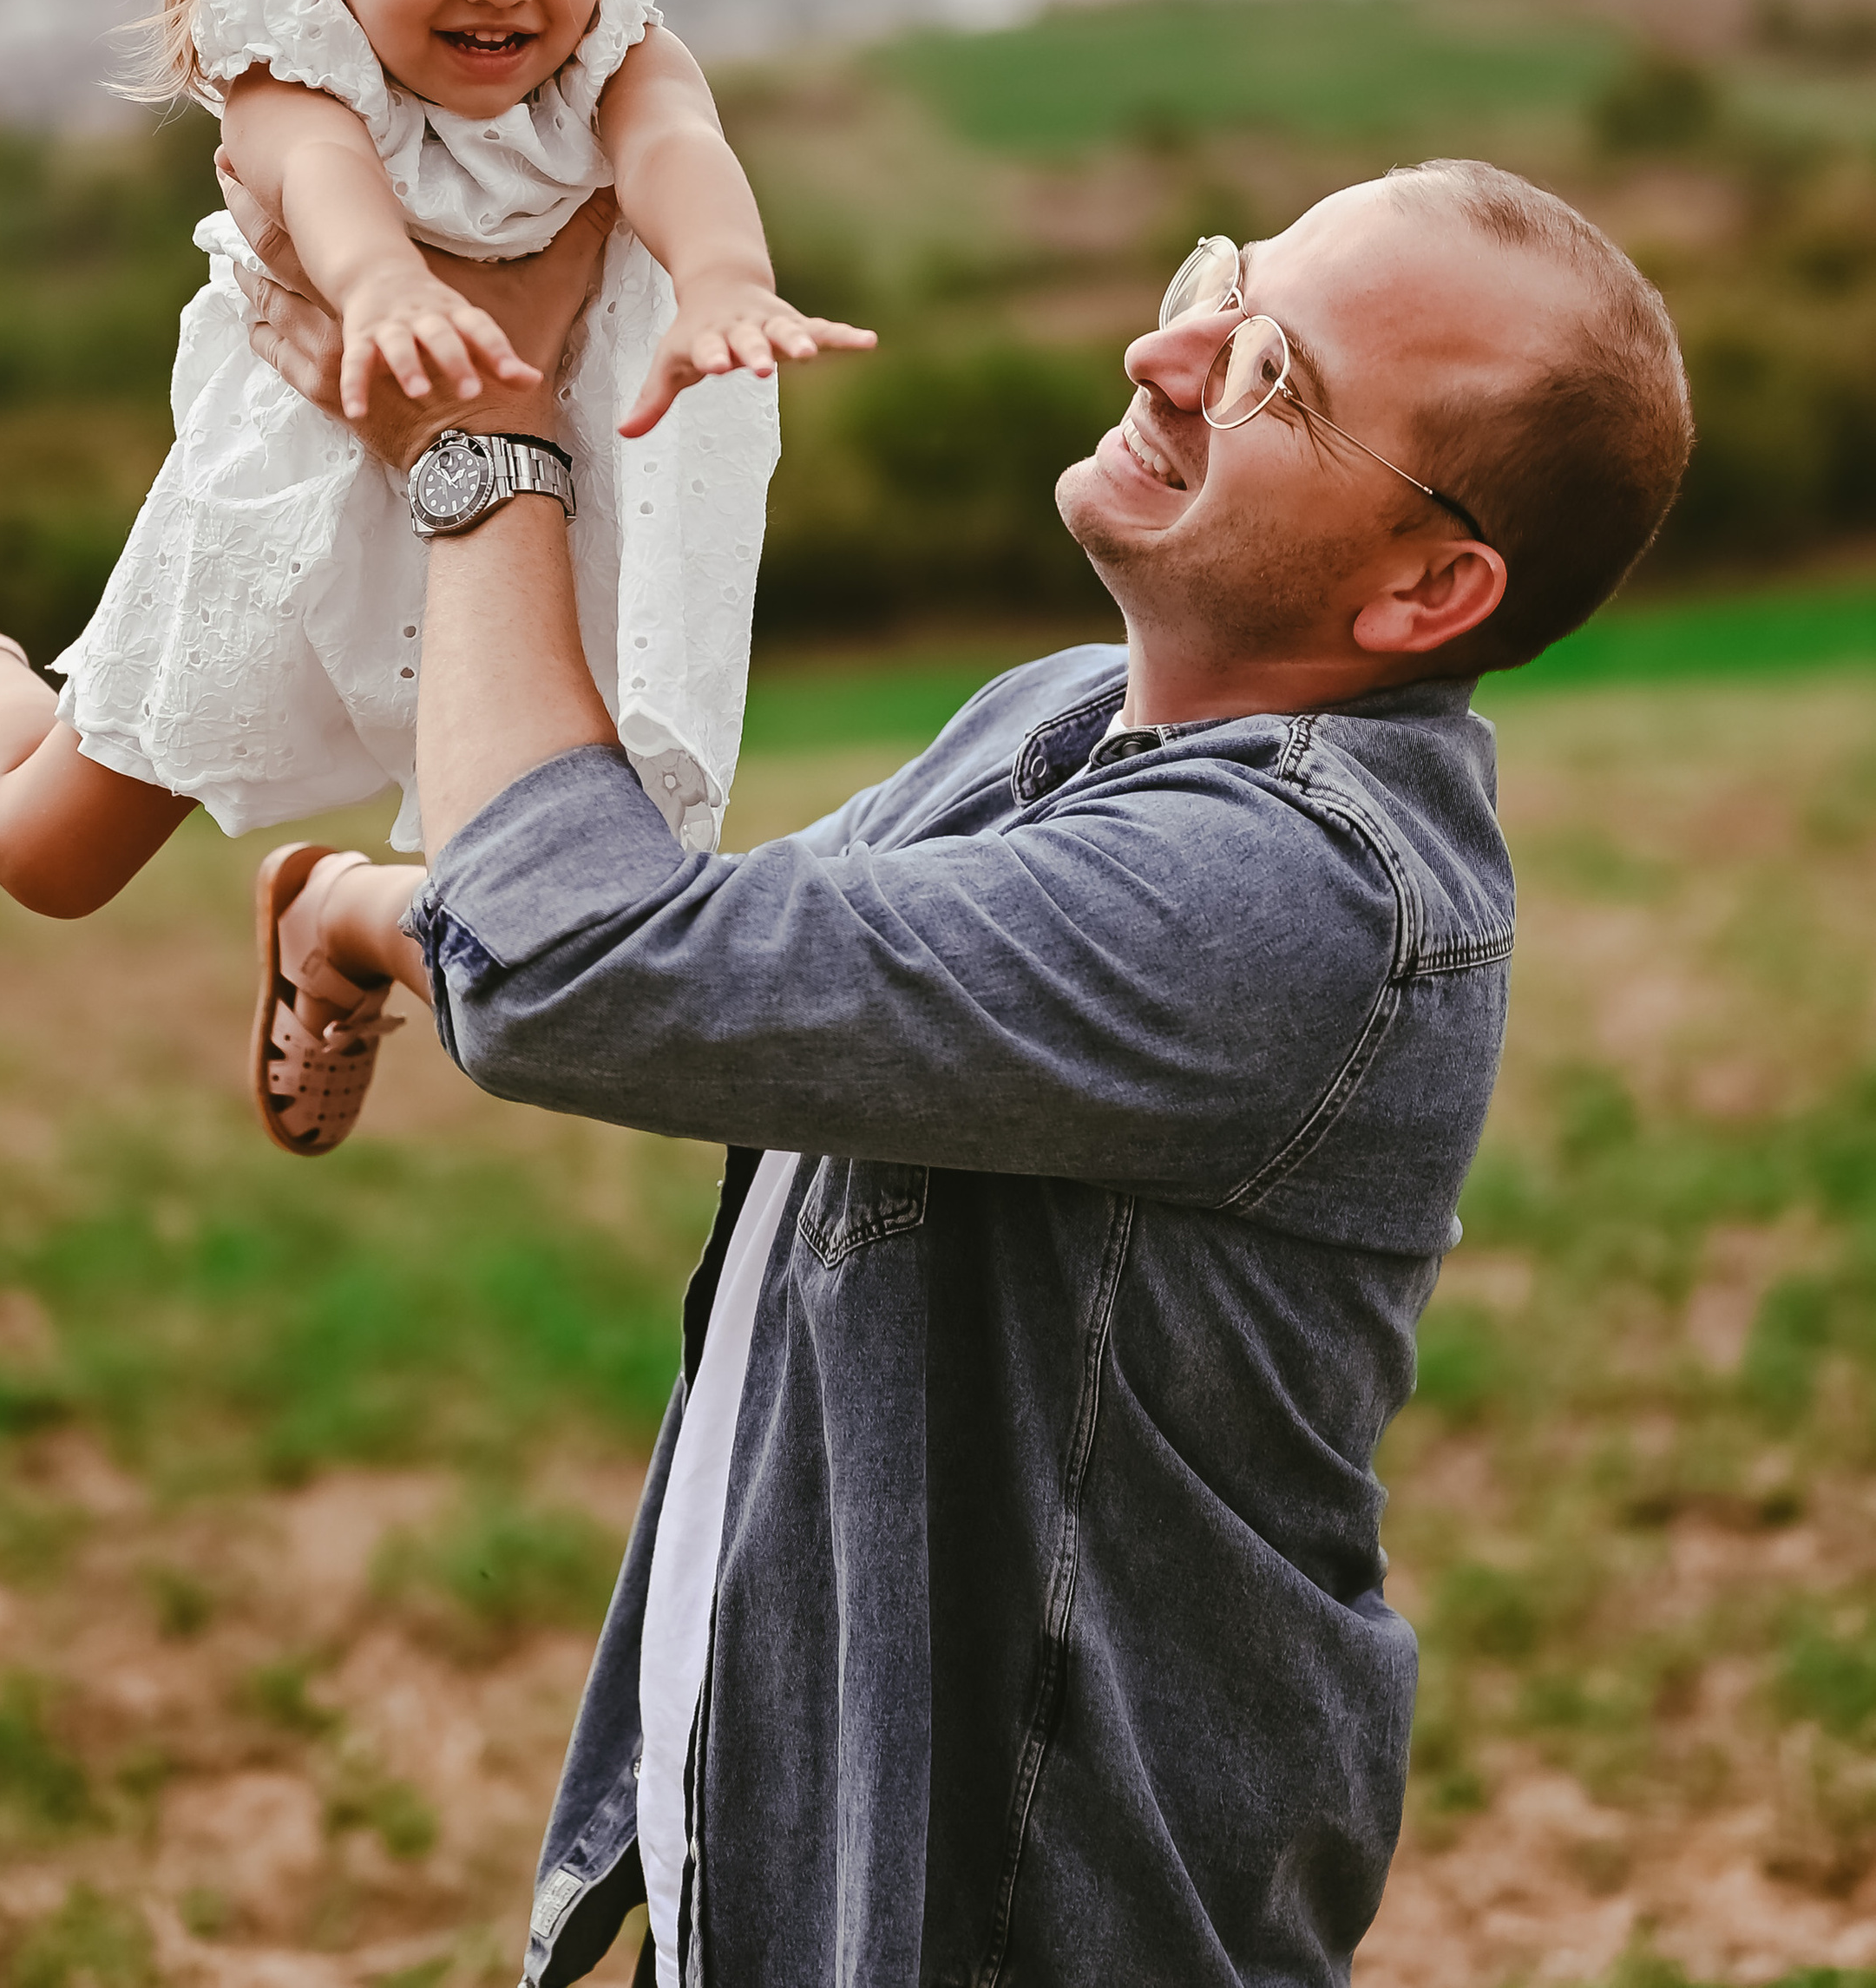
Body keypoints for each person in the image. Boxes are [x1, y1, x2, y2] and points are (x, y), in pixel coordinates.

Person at [225, 152, 1693, 1986]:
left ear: (1424, 587)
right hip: (800, 1823)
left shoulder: (1280, 898)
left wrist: (482, 464)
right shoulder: (1063, 715)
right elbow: (717, 963)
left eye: (1274, 381)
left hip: (1030, 1908)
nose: (1171, 351)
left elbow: (586, 966)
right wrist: (377, 911)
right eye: (1225, 285)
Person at [0, 0, 869, 1156]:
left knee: (582, 861)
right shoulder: (302, 54)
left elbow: (679, 145)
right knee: (50, 855)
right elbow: (321, 183)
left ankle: (337, 920)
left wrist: (724, 285)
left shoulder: (618, 32)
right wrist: (385, 291)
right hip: (308, 486)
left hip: (559, 477)